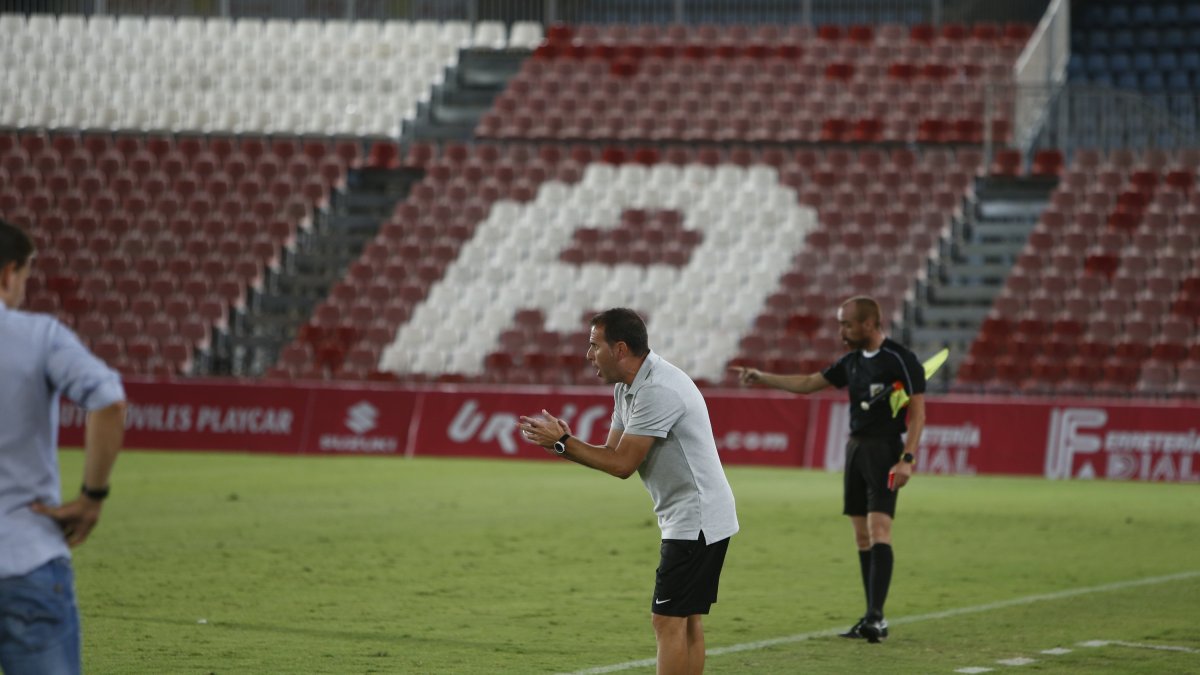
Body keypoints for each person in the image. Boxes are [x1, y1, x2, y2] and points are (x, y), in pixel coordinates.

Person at [518, 308, 738, 675]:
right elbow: (611, 453)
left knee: (667, 621)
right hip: (699, 514)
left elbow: (623, 465)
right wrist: (565, 442)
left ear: (619, 349)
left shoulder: (657, 391)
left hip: (695, 518)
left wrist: (563, 444)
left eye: (594, 346)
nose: (588, 355)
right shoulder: (628, 387)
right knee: (685, 620)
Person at [733, 296, 925, 644]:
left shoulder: (901, 359)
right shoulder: (851, 362)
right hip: (855, 450)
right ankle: (870, 615)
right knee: (861, 536)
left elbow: (919, 414)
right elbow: (809, 383)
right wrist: (763, 377)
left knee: (879, 528)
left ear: (868, 324)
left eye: (846, 324)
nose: (841, 331)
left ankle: (877, 618)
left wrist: (908, 459)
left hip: (886, 451)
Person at [0, 219, 127, 674]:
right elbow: (109, 402)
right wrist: (92, 498)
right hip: (26, 556)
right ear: (8, 273)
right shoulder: (38, 336)